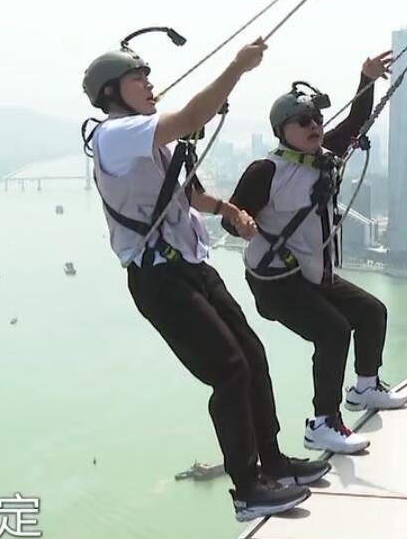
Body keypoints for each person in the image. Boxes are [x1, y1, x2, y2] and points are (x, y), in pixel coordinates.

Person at [81, 34, 331, 522]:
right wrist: (237, 67)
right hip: (158, 279)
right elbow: (191, 118)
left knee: (252, 356)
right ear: (112, 92)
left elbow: (186, 193)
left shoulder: (146, 136)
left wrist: (227, 210)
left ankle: (274, 464)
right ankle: (247, 488)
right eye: (140, 79)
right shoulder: (114, 136)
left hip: (190, 266)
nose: (150, 85)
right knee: (229, 370)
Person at [224, 50, 407, 455]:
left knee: (371, 312)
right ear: (281, 130)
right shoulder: (266, 171)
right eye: (303, 122)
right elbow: (232, 215)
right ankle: (323, 423)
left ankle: (364, 387)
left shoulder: (324, 158)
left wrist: (366, 78)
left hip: (312, 275)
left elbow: (356, 120)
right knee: (332, 331)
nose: (315, 127)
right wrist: (240, 223)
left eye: (317, 120)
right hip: (276, 283)